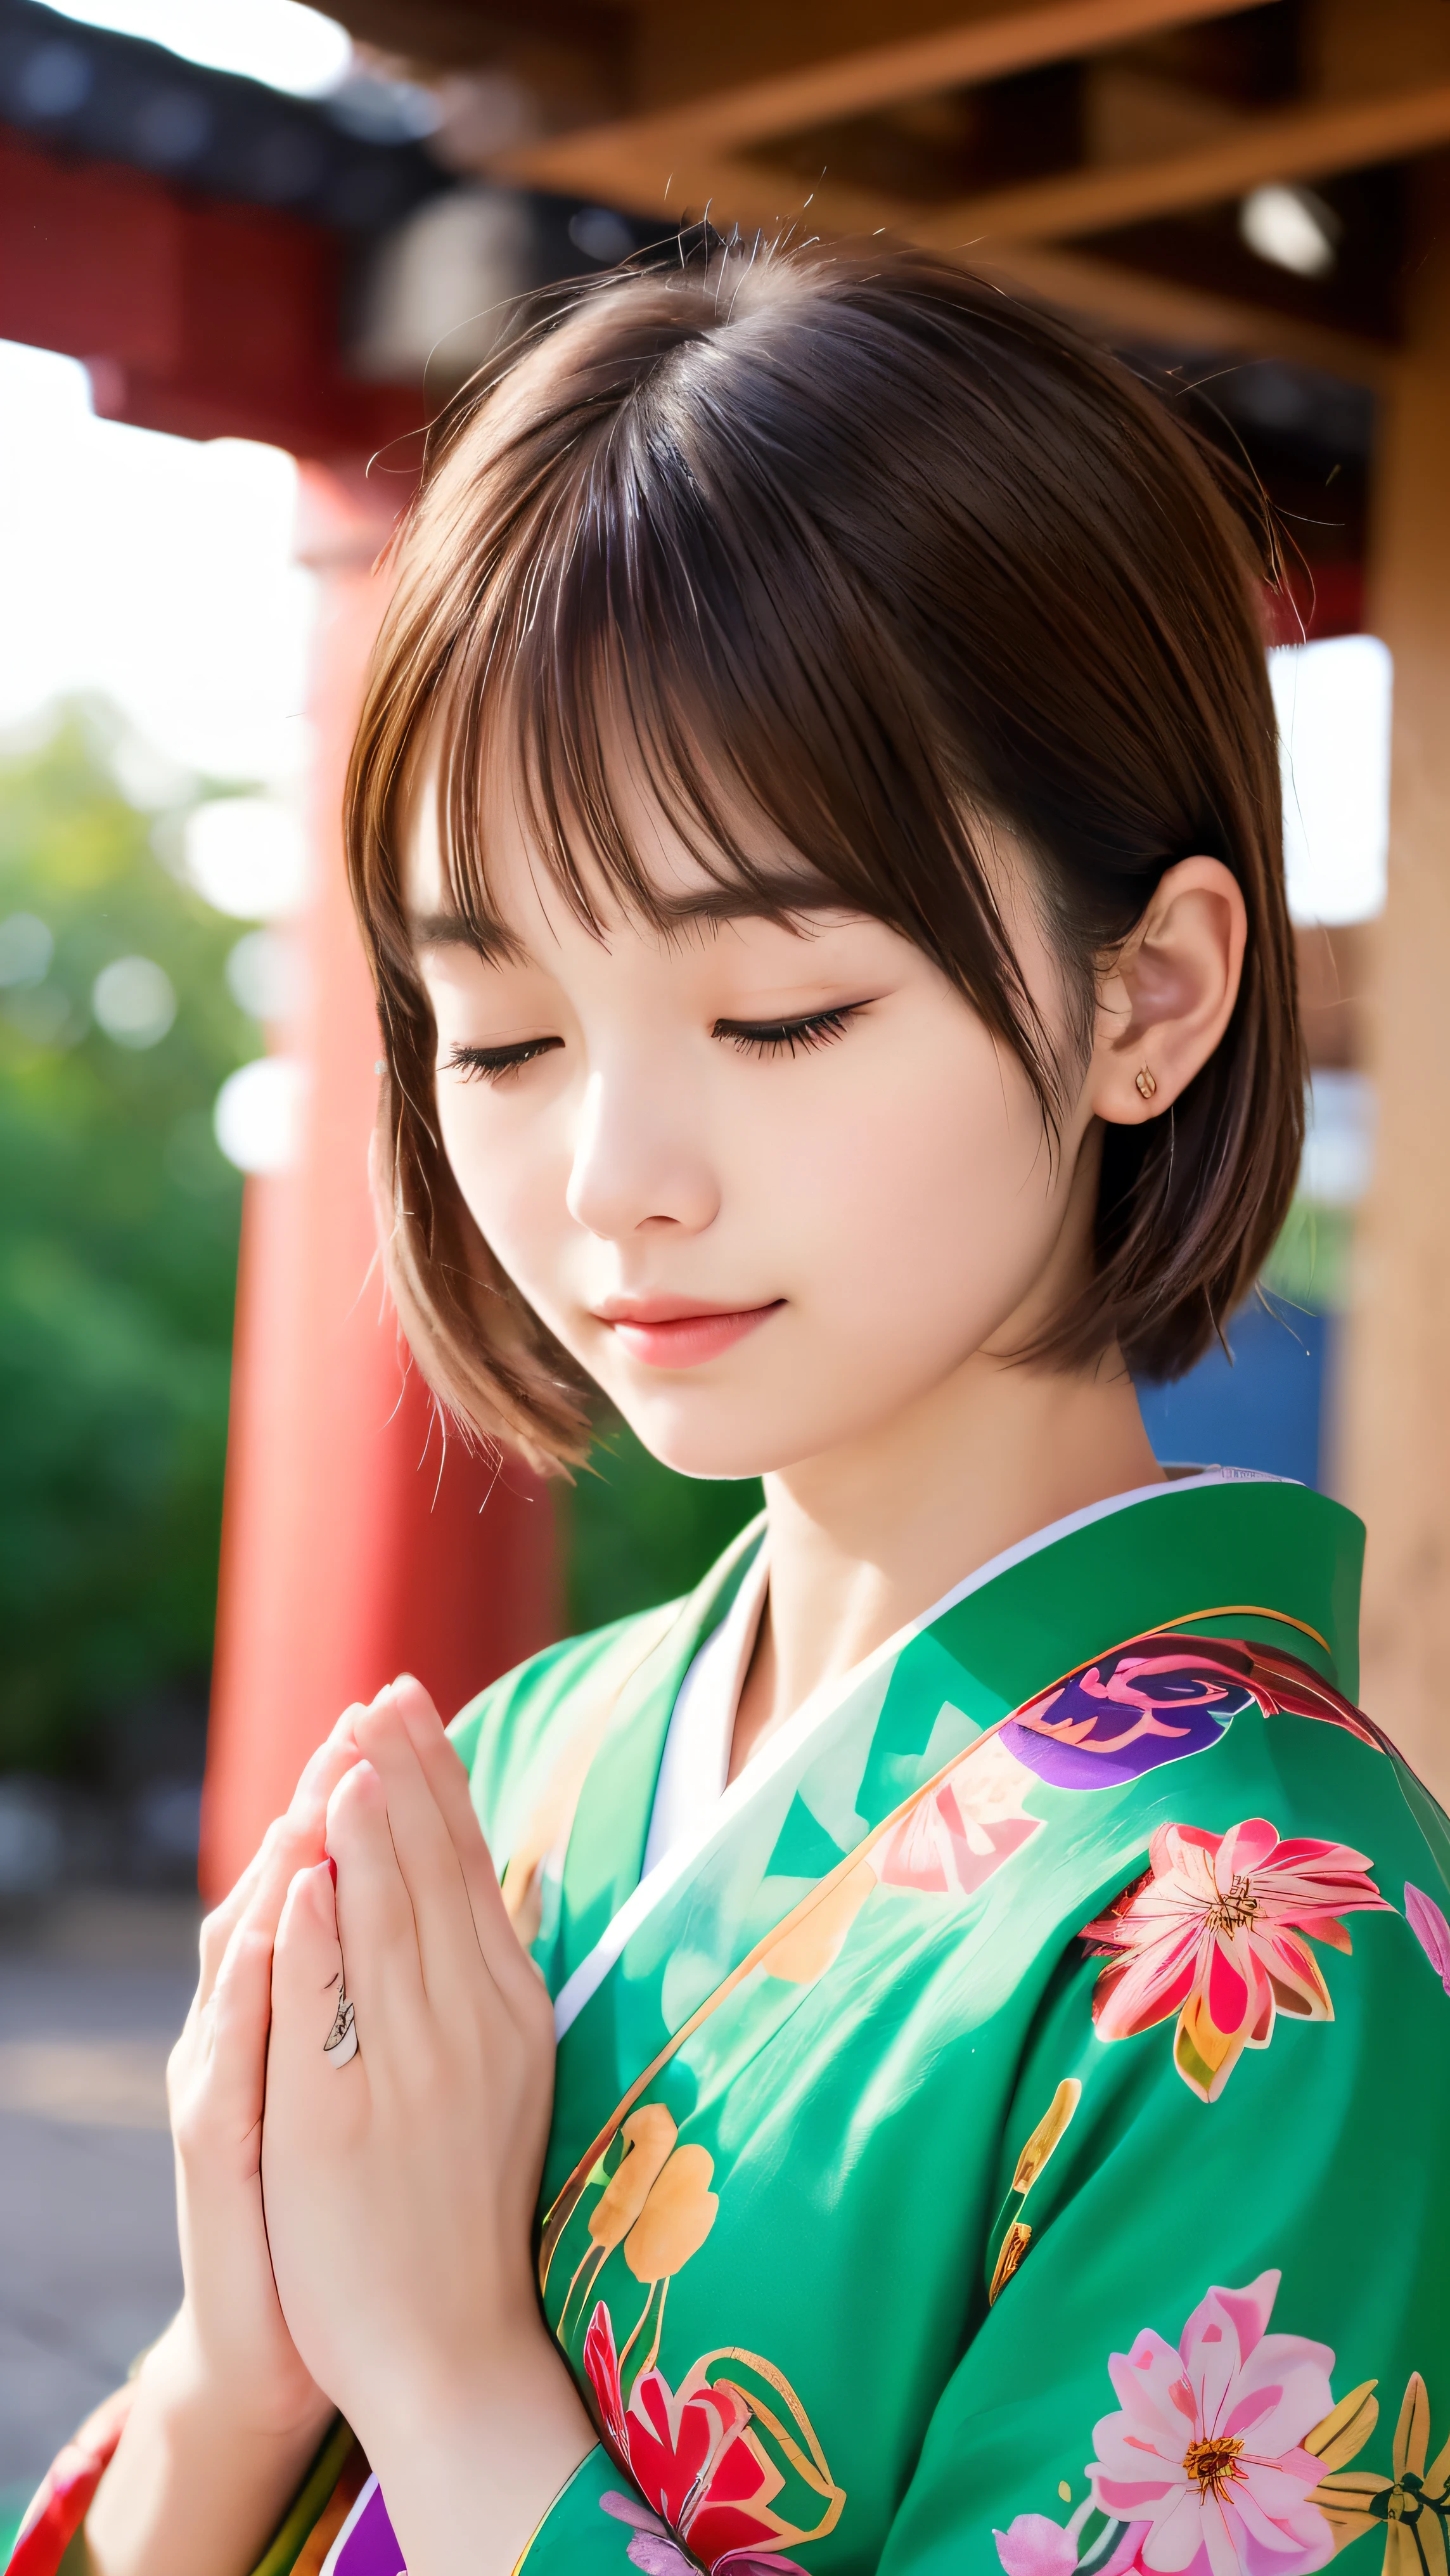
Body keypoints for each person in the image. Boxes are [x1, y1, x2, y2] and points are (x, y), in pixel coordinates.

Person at [15, 243, 1450, 2576]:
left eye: (776, 1012)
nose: (608, 1182)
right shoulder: (518, 1773)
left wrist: (460, 2393)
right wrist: (235, 2369)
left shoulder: (1278, 1952)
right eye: (499, 1035)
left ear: (1148, 997)